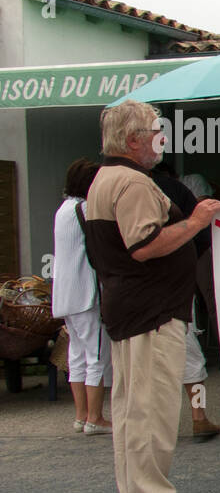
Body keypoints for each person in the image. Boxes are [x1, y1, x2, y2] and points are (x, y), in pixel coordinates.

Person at [82, 101, 220, 493]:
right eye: (154, 131)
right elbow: (145, 245)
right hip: (152, 311)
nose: (160, 138)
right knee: (152, 413)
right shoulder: (133, 182)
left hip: (128, 307)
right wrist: (196, 221)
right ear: (132, 140)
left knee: (130, 411)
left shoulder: (104, 179)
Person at [151, 162, 220, 439]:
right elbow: (202, 235)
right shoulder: (175, 189)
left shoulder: (116, 187)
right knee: (189, 351)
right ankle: (198, 416)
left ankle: (153, 425)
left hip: (132, 286)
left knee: (144, 362)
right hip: (175, 281)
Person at [52, 158, 112, 435]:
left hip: (65, 295)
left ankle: (81, 416)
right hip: (87, 294)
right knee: (96, 356)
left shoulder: (63, 210)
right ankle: (96, 418)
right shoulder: (86, 208)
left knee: (77, 356)